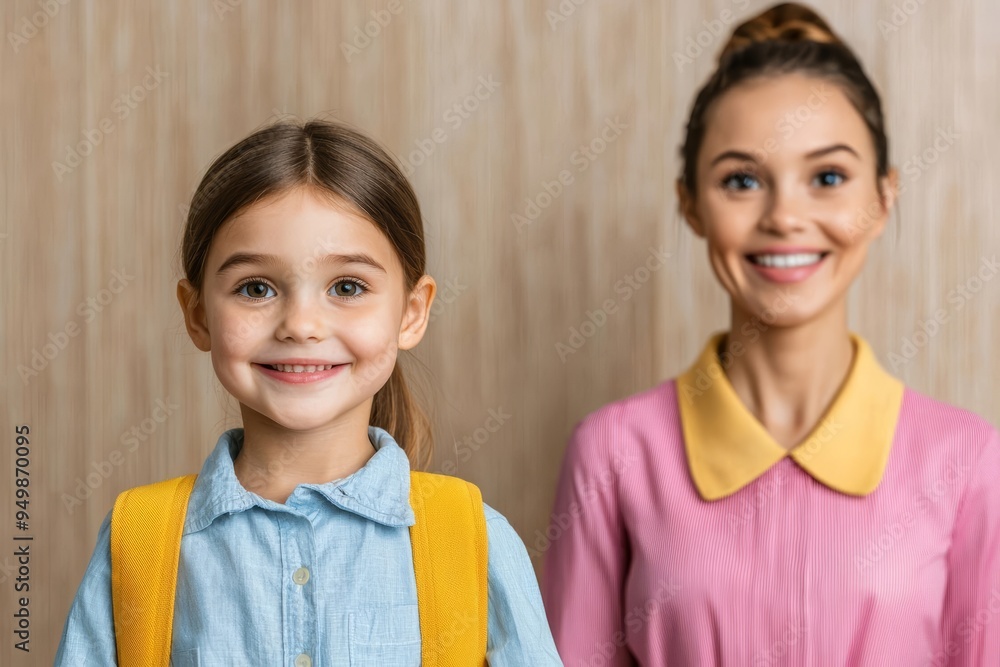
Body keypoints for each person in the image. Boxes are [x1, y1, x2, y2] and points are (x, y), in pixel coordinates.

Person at [541, 4, 999, 665]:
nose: (784, 215)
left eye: (829, 177)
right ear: (691, 204)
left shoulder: (967, 462)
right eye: (743, 180)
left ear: (884, 199)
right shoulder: (611, 455)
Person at [56, 119, 563, 665]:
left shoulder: (474, 540)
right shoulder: (137, 541)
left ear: (411, 314)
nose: (300, 324)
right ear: (197, 313)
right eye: (256, 288)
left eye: (347, 287)